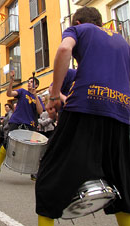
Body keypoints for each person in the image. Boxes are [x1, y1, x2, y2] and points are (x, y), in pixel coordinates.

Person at [35, 7, 130, 226]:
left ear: (77, 22)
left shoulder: (78, 30)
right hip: (121, 114)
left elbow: (63, 50)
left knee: (50, 178)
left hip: (85, 110)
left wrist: (54, 96)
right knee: (122, 184)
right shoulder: (123, 42)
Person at [0, 70, 44, 178]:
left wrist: (36, 95)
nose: (29, 83)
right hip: (16, 121)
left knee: (32, 148)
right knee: (7, 143)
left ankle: (33, 171)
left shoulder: (37, 98)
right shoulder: (22, 92)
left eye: (32, 82)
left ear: (37, 85)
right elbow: (9, 93)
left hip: (31, 124)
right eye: (28, 81)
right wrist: (11, 81)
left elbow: (40, 111)